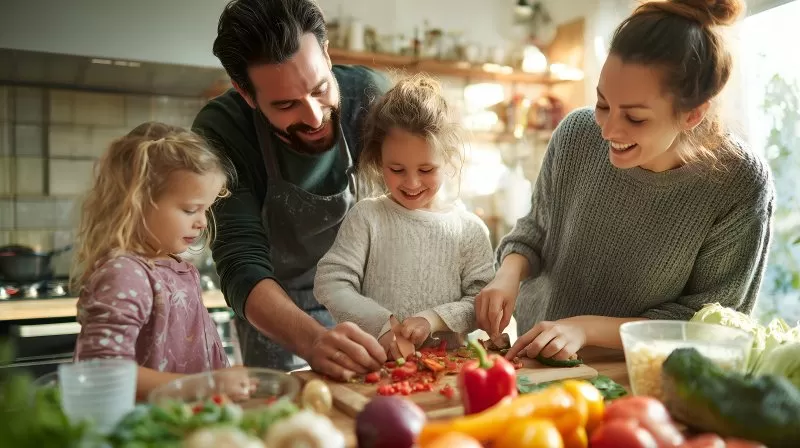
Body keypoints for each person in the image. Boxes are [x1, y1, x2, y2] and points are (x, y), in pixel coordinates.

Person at [476, 0, 775, 362]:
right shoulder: (576, 134)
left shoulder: (738, 185)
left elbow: (706, 324)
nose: (608, 130)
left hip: (640, 375)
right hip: (537, 357)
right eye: (602, 104)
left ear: (693, 114)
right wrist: (507, 275)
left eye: (634, 117)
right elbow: (536, 230)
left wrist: (584, 328)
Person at [192, 0, 391, 379]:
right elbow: (241, 263)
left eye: (320, 89)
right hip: (282, 320)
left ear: (327, 54)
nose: (314, 117)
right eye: (286, 105)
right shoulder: (225, 129)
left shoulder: (372, 96)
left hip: (374, 305)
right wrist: (313, 340)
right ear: (246, 93)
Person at [313, 75, 495, 361]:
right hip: (373, 365)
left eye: (426, 170)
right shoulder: (367, 217)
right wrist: (383, 325)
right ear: (377, 159)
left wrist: (431, 320)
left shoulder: (469, 230)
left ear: (448, 159)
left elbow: (481, 302)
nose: (411, 183)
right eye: (397, 169)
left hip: (449, 373)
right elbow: (330, 282)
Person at [72, 122, 238, 400]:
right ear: (135, 201)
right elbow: (102, 371)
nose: (201, 223)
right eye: (190, 209)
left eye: (205, 210)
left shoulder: (174, 267)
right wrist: (207, 386)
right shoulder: (125, 275)